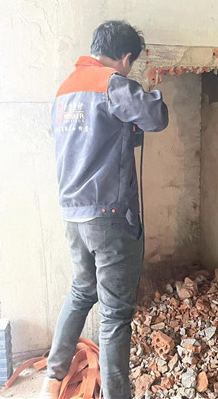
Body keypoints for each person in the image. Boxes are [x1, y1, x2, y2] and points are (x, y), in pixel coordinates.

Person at [41, 21, 169, 399]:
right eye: (131, 64)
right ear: (125, 58)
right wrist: (152, 93)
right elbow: (157, 117)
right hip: (108, 218)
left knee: (82, 290)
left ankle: (52, 378)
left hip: (73, 214)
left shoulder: (65, 89)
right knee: (114, 317)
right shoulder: (111, 84)